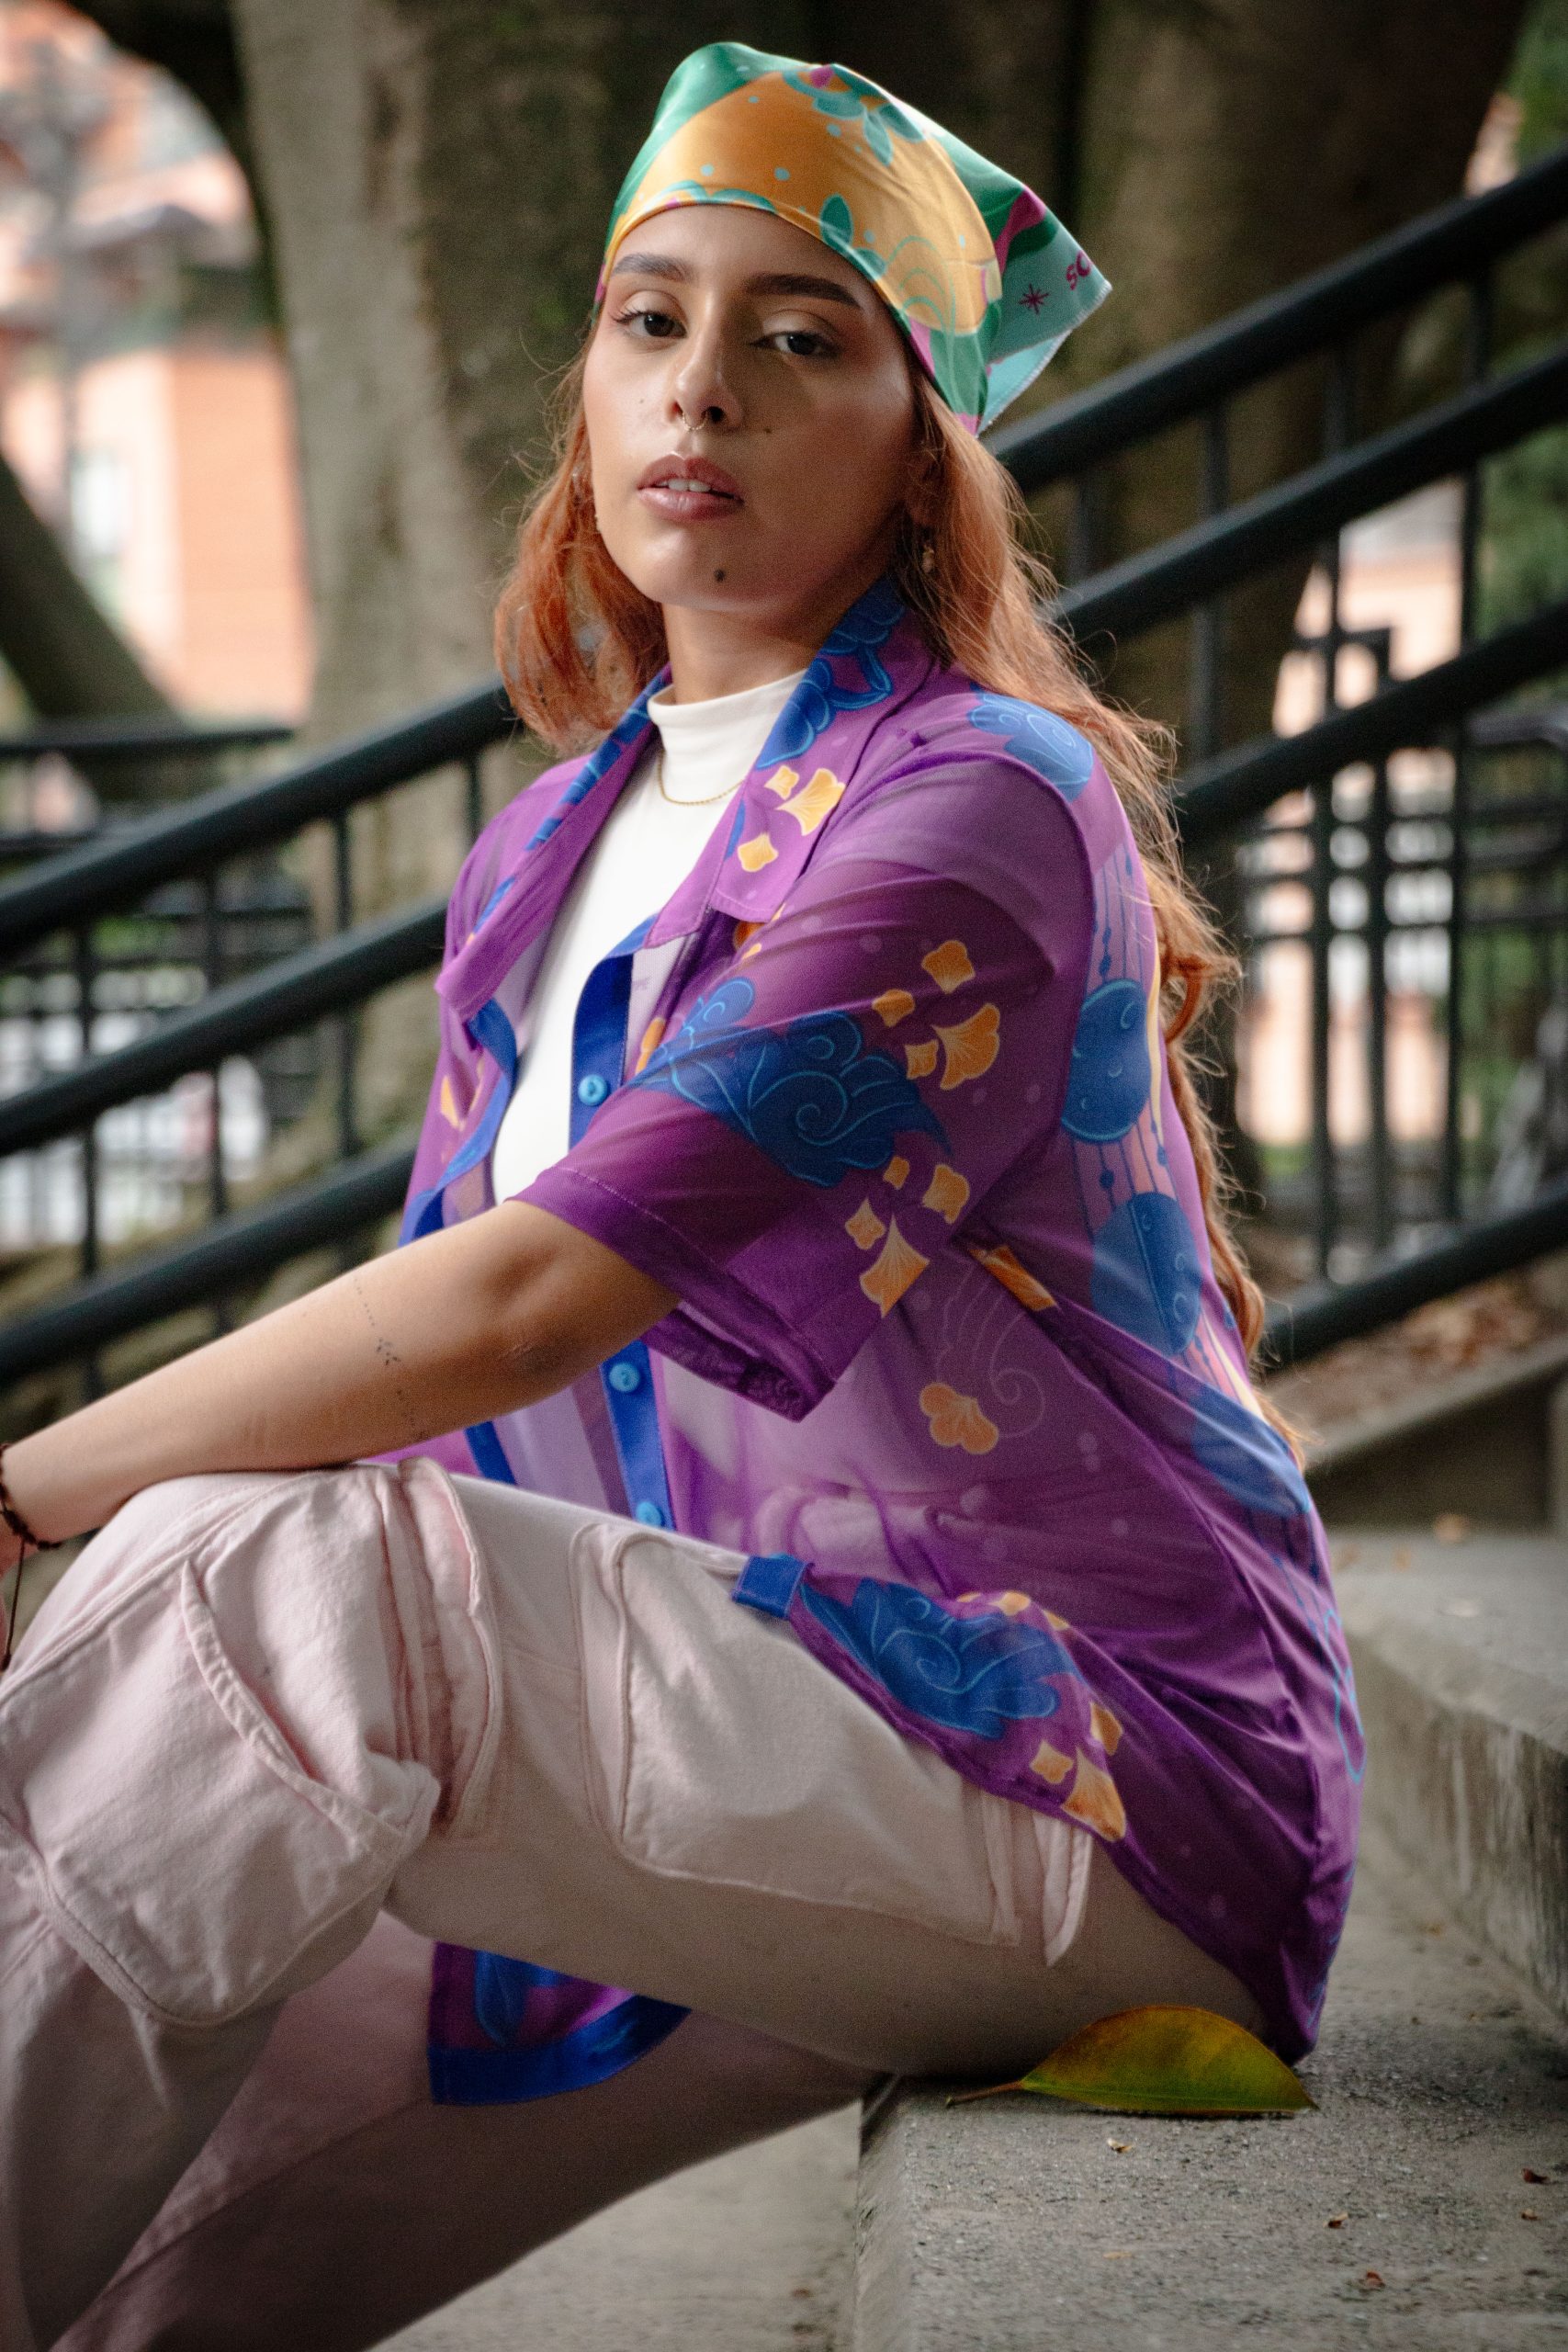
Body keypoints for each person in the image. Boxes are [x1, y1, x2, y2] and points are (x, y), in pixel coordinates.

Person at [0, 42, 1361, 2352]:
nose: (699, 385)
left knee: (261, 1568)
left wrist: (25, 1493)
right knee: (152, 2251)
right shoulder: (552, 844)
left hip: (1092, 1773)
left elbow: (521, 1298)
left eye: (796, 336)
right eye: (649, 320)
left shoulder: (973, 798)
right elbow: (442, 1374)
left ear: (918, 442)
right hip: (749, 1724)